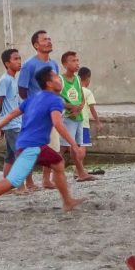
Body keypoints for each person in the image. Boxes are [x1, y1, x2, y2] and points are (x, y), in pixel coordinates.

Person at [0, 67, 86, 221]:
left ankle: (67, 201)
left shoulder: (33, 98)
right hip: (32, 146)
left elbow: (12, 114)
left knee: (58, 163)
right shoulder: (55, 100)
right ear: (49, 83)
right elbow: (58, 124)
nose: (59, 80)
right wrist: (74, 145)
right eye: (56, 77)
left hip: (30, 144)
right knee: (13, 181)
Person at [0, 48, 35, 191]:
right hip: (12, 125)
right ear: (7, 63)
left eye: (19, 58)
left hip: (16, 123)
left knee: (10, 156)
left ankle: (6, 186)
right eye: (15, 59)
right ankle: (20, 186)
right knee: (21, 155)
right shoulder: (5, 80)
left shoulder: (14, 79)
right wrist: (3, 122)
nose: (19, 62)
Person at [57, 51, 94, 183]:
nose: (77, 63)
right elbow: (55, 99)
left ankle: (80, 173)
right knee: (62, 147)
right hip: (67, 118)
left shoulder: (78, 79)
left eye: (77, 60)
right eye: (73, 61)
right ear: (65, 64)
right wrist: (70, 107)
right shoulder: (60, 80)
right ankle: (52, 175)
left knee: (76, 146)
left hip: (78, 118)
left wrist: (78, 108)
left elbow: (82, 98)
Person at [18, 30, 58, 101]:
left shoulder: (54, 64)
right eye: (45, 40)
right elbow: (22, 91)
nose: (49, 42)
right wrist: (34, 103)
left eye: (49, 39)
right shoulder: (29, 65)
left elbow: (56, 86)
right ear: (36, 45)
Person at [77, 66, 100, 146]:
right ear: (88, 78)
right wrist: (98, 122)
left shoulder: (75, 90)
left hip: (73, 123)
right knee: (82, 146)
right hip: (83, 124)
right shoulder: (88, 92)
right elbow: (92, 109)